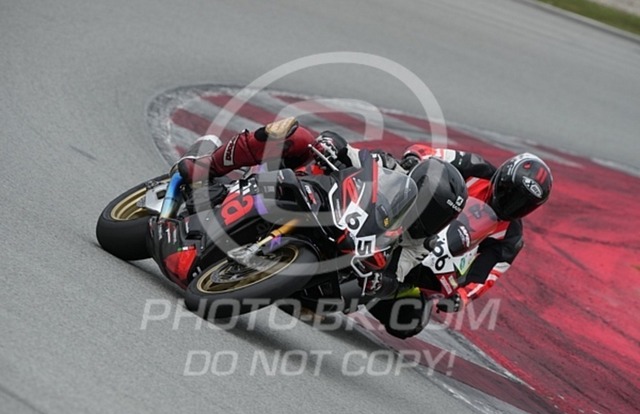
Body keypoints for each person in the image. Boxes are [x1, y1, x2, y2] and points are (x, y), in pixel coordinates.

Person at [173, 117, 468, 331]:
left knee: (350, 290)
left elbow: (396, 274)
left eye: (437, 219)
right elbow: (346, 148)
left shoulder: (421, 243)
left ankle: (270, 276)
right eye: (426, 211)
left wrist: (381, 280)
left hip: (342, 254)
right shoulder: (388, 168)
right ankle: (208, 166)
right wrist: (329, 144)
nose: (426, 222)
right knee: (295, 134)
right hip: (321, 198)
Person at [366, 145, 553, 338]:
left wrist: (461, 297)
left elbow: (485, 276)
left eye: (523, 204)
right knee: (381, 167)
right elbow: (432, 154)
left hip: (436, 256)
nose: (512, 204)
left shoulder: (511, 238)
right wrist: (415, 157)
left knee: (409, 319)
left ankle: (382, 289)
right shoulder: (477, 167)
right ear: (502, 178)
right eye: (510, 193)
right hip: (409, 215)